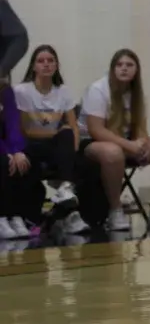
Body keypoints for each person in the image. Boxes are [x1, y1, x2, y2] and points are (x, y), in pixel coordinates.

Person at [77, 48, 150, 230]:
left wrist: (141, 144)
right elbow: (96, 130)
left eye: (129, 65)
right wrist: (130, 146)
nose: (124, 68)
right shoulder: (98, 89)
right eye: (119, 65)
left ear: (136, 70)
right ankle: (115, 211)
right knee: (113, 152)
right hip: (92, 143)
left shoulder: (136, 92)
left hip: (125, 141)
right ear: (112, 69)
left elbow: (140, 127)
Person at [15, 44, 90, 234]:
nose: (46, 64)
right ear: (33, 66)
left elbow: (73, 127)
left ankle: (66, 191)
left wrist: (72, 151)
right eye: (41, 61)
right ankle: (52, 215)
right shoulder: (22, 91)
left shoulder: (63, 91)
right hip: (31, 145)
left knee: (71, 140)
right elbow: (24, 131)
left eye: (50, 61)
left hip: (55, 146)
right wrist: (54, 135)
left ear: (56, 65)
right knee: (60, 136)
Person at [0, 79, 43, 239]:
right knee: (4, 163)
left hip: (6, 145)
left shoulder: (5, 90)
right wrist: (5, 151)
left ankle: (19, 216)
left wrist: (17, 151)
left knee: (28, 161)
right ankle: (2, 217)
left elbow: (13, 124)